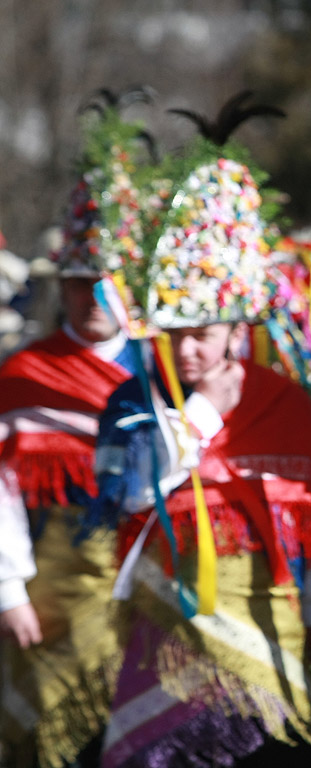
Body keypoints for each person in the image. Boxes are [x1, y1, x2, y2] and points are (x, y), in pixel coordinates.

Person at [86, 139, 311, 767]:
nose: (185, 353)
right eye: (174, 336)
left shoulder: (283, 402)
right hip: (167, 626)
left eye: (201, 336)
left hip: (267, 625)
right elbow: (126, 493)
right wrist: (202, 411)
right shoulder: (134, 396)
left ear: (237, 328)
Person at [0, 134, 142, 767]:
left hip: (155, 589)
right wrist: (8, 590)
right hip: (54, 586)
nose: (91, 297)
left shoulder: (166, 368)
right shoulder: (25, 372)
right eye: (79, 282)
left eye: (105, 282)